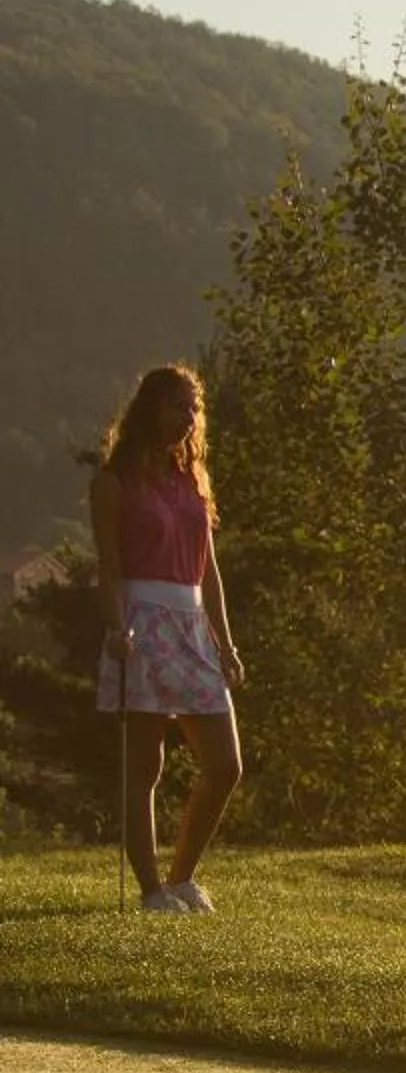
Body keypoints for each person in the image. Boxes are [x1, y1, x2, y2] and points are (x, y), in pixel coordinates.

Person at [90, 364, 245, 913]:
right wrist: (116, 626)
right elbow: (108, 567)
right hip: (142, 623)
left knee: (225, 764)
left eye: (194, 408)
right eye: (178, 406)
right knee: (146, 765)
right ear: (150, 409)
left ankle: (182, 877)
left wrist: (225, 643)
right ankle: (153, 890)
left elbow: (208, 570)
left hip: (192, 625)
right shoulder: (115, 481)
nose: (188, 417)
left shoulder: (193, 479)